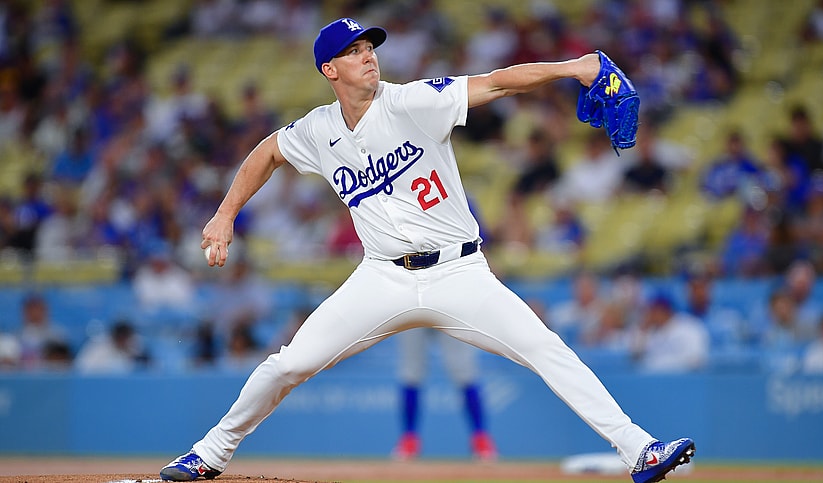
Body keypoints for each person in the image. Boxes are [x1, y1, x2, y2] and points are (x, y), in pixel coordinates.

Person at [159, 17, 695, 483]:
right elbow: (267, 152)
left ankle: (638, 449)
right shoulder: (319, 129)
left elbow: (497, 84)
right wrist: (225, 213)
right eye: (353, 52)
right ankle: (210, 454)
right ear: (330, 71)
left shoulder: (413, 100)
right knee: (287, 365)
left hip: (458, 272)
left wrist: (576, 67)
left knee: (545, 348)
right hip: (381, 279)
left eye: (369, 48)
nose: (367, 56)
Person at [391, 328, 497, 461]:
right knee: (411, 372)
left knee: (465, 371)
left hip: (447, 308)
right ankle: (409, 440)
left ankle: (481, 440)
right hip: (413, 311)